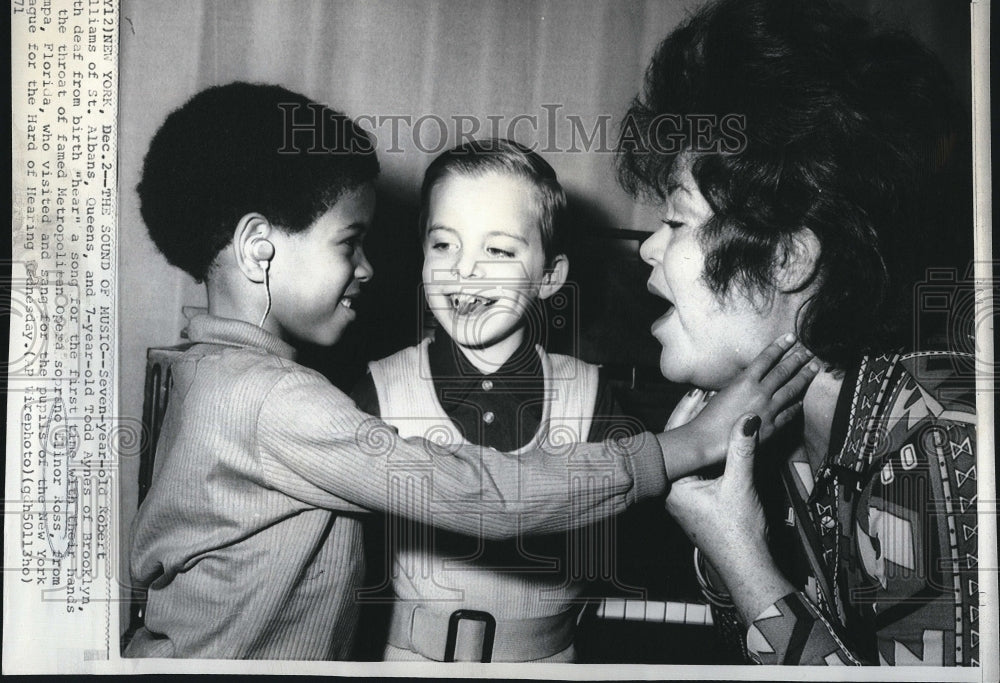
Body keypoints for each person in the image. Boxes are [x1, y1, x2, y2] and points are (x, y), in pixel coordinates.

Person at [124, 82, 816, 660]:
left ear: (552, 275)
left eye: (499, 250)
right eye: (350, 242)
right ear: (256, 249)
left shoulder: (210, 374)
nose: (369, 267)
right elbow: (478, 491)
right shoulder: (276, 398)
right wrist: (684, 446)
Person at [617, 0, 978, 665]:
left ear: (787, 258)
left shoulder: (939, 445)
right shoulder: (796, 435)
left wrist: (740, 557)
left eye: (675, 221)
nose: (648, 249)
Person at [353, 138, 634, 662]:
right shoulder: (379, 390)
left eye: (498, 250)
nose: (464, 269)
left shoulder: (592, 398)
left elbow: (629, 536)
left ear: (549, 277)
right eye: (443, 245)